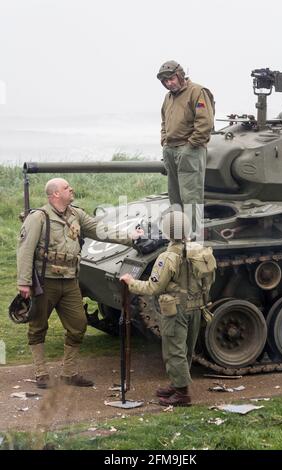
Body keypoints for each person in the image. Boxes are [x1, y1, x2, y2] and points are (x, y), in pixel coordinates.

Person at [17, 178, 143, 389]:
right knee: (38, 327)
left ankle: (69, 373)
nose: (71, 189)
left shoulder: (76, 214)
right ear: (55, 194)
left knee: (78, 326)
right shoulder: (38, 217)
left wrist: (130, 237)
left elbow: (100, 230)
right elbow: (25, 249)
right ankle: (41, 372)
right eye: (66, 187)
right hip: (45, 281)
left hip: (70, 281)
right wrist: (24, 282)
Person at [120, 211, 216, 406]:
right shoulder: (200, 250)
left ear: (167, 232)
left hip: (176, 310)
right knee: (185, 349)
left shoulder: (168, 257)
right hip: (196, 307)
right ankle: (177, 384)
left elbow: (153, 287)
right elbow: (209, 279)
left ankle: (182, 395)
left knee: (174, 350)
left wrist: (131, 282)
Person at [157, 60, 214, 236]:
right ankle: (179, 235)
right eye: (165, 81)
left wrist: (190, 145)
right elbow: (164, 121)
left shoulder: (197, 92)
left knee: (191, 198)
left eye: (171, 78)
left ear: (180, 75)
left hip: (190, 150)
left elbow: (205, 123)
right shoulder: (168, 97)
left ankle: (194, 239)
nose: (169, 83)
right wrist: (164, 140)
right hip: (171, 149)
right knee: (175, 197)